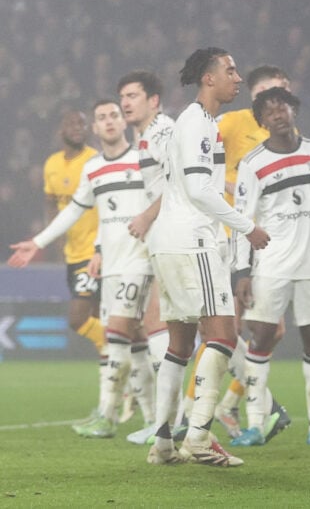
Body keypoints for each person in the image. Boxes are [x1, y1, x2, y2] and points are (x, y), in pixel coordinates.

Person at [144, 47, 270, 467]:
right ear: (209, 78)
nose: (238, 77)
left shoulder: (197, 122)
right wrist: (246, 226)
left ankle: (162, 442)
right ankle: (198, 436)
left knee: (179, 344)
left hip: (168, 240)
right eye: (231, 70)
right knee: (223, 335)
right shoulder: (197, 122)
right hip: (192, 240)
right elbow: (199, 190)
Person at [9, 101, 154, 439]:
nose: (107, 122)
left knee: (125, 337)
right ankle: (130, 417)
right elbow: (77, 211)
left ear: (123, 121)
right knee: (129, 340)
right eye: (102, 117)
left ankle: (140, 418)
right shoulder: (94, 169)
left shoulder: (143, 160)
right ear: (97, 126)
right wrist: (39, 241)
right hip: (107, 260)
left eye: (113, 115)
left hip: (141, 261)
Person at [228, 87, 310, 447]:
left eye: (282, 105)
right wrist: (241, 272)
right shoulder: (253, 164)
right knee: (261, 337)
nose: (277, 112)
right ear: (262, 121)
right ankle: (254, 424)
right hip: (271, 267)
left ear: (293, 109)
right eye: (269, 110)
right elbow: (241, 220)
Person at [185, 64, 293, 442]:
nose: (270, 99)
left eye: (277, 91)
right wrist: (232, 182)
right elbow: (201, 162)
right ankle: (193, 410)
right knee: (223, 327)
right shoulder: (231, 123)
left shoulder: (287, 137)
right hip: (234, 239)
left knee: (271, 330)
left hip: (271, 242)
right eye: (263, 91)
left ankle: (231, 401)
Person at [118, 70, 174, 444]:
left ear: (153, 100)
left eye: (133, 95)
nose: (125, 102)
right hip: (166, 238)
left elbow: (179, 183)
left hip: (180, 237)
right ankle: (170, 422)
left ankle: (169, 423)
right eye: (122, 96)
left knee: (157, 325)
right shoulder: (145, 137)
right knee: (200, 330)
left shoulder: (163, 133)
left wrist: (146, 216)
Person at [42, 110, 105, 398]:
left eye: (82, 123)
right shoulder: (52, 164)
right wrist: (52, 239)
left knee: (77, 319)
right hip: (72, 253)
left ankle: (125, 353)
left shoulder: (95, 160)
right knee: (96, 322)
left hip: (95, 254)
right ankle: (115, 390)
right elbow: (50, 203)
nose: (78, 127)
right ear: (60, 129)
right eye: (71, 122)